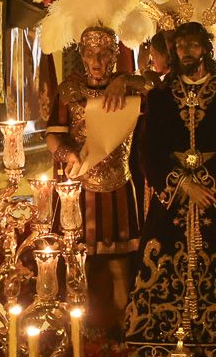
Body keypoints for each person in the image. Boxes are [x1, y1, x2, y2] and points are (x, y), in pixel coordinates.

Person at [124, 23, 216, 357]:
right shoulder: (158, 97)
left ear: (206, 49)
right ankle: (158, 342)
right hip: (172, 202)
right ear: (174, 51)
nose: (187, 51)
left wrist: (210, 185)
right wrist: (182, 183)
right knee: (159, 263)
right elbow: (148, 150)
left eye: (193, 45)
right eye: (181, 45)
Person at [48, 24, 146, 325]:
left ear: (114, 56)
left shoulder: (129, 87)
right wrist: (68, 155)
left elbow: (156, 86)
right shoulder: (70, 90)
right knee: (80, 263)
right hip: (80, 188)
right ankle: (81, 329)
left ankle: (122, 326)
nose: (97, 61)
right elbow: (53, 135)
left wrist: (127, 79)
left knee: (120, 265)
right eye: (91, 54)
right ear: (82, 56)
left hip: (119, 184)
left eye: (103, 54)